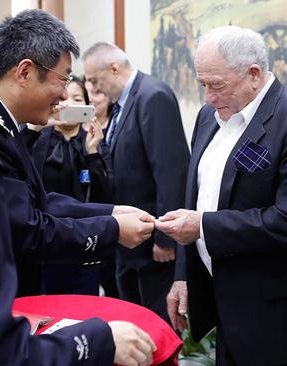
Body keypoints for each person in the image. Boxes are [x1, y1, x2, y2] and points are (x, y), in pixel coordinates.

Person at [0, 1, 155, 365]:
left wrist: (110, 212)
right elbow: (27, 228)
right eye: (62, 79)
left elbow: (37, 201)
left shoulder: (1, 129)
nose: (65, 94)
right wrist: (99, 340)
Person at [156, 26, 287, 365]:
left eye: (217, 85)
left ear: (254, 74)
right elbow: (194, 201)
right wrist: (183, 275)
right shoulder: (208, 117)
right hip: (224, 308)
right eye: (203, 84)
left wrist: (204, 227)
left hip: (277, 317)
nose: (207, 96)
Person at [83, 42, 190, 324]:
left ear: (114, 68)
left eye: (94, 80)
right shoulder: (125, 104)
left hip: (155, 246)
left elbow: (171, 171)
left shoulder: (152, 96)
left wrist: (166, 237)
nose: (93, 89)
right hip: (130, 247)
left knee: (157, 328)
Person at [25, 75, 114, 295]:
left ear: (87, 106)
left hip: (84, 243)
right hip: (45, 242)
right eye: (63, 98)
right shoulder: (38, 138)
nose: (69, 104)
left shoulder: (94, 141)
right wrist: (37, 126)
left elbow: (106, 198)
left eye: (77, 98)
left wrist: (93, 153)